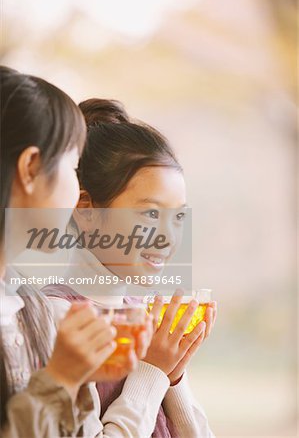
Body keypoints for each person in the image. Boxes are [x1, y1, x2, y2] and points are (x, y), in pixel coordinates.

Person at [44, 98, 217, 437]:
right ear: (86, 210)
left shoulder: (142, 313)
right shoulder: (57, 318)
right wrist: (151, 369)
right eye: (151, 214)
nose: (169, 236)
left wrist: (174, 373)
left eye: (178, 216)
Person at [0, 68, 152, 437]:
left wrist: (78, 379)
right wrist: (62, 378)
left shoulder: (29, 305)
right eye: (73, 167)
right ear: (31, 167)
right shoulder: (48, 306)